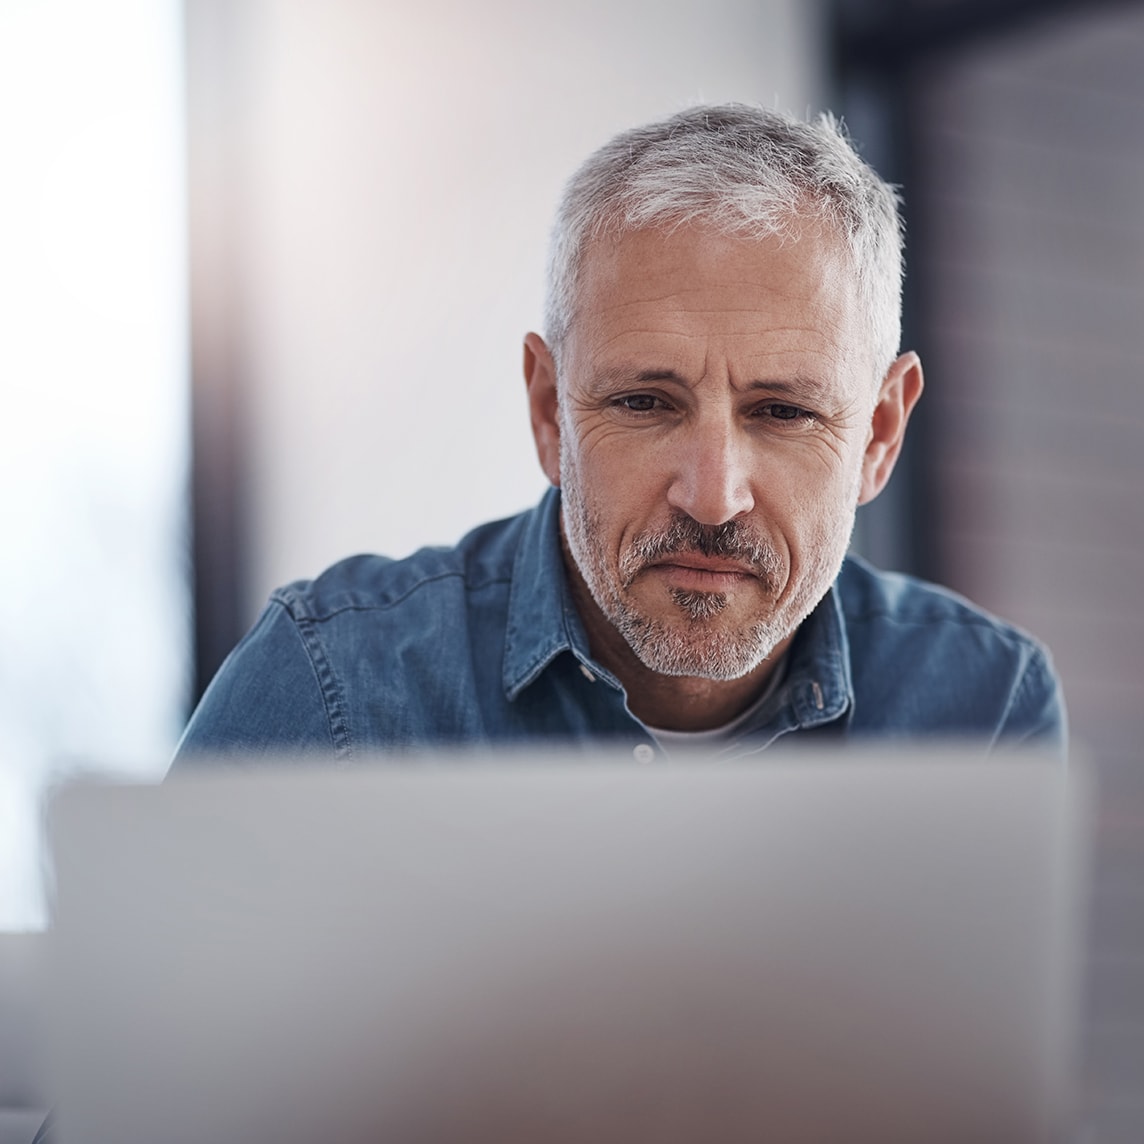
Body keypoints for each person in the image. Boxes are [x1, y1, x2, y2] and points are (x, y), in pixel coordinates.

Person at [172, 103, 1065, 767]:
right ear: (550, 411)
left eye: (782, 412)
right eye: (645, 402)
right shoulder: (333, 686)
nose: (713, 495)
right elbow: (151, 1019)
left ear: (878, 434)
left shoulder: (983, 710)